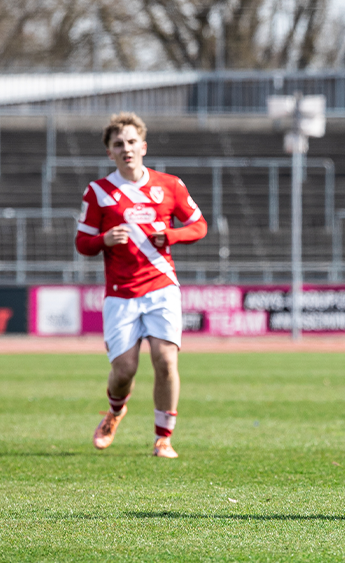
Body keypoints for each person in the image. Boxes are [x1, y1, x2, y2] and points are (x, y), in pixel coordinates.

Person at [75, 112, 208, 459]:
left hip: (162, 286)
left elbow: (199, 225)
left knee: (165, 360)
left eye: (132, 142)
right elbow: (82, 243)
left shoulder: (170, 185)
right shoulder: (99, 192)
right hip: (121, 294)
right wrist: (104, 239)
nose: (127, 148)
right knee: (124, 371)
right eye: (118, 144)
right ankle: (115, 411)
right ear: (110, 152)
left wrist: (171, 235)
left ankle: (163, 439)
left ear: (144, 146)